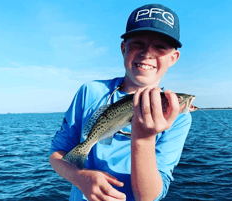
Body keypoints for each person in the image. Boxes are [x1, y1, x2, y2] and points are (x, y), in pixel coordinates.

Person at [49, 3, 192, 201]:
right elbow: (57, 153)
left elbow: (150, 196)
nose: (147, 53)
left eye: (160, 47)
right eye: (137, 44)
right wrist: (80, 178)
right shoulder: (90, 92)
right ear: (124, 48)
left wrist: (144, 138)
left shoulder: (179, 118)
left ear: (173, 57)